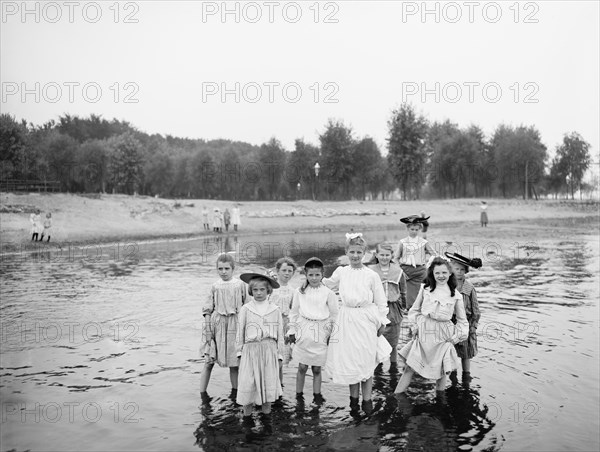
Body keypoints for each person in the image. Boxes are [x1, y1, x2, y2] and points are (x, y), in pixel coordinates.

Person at [323, 233, 389, 414]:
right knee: (351, 359)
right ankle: (353, 402)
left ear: (365, 253)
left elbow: (381, 301)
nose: (355, 255)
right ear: (346, 252)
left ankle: (367, 402)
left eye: (359, 252)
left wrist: (382, 321)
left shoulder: (371, 275)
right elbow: (325, 285)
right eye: (351, 251)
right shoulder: (341, 272)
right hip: (347, 318)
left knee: (366, 358)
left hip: (366, 319)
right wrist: (308, 281)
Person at [394, 256, 469, 395]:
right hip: (424, 332)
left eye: (444, 273)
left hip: (443, 336)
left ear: (450, 273)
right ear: (432, 274)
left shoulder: (456, 295)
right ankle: (396, 396)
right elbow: (415, 310)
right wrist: (415, 326)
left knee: (441, 372)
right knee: (410, 367)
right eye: (437, 273)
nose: (441, 276)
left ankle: (440, 403)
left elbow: (463, 321)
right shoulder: (425, 289)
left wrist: (455, 338)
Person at [288, 257, 339, 404]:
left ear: (322, 274)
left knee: (317, 369)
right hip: (304, 330)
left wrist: (330, 333)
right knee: (302, 366)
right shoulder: (300, 291)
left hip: (321, 331)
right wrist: (292, 330)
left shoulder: (328, 293)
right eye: (311, 275)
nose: (314, 278)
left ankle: (317, 396)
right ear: (306, 274)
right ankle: (299, 396)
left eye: (317, 274)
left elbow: (334, 314)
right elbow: (294, 312)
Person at [199, 253, 247, 401]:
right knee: (209, 361)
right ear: (217, 269)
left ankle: (236, 395)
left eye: (227, 268)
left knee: (234, 364)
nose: (224, 272)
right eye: (220, 268)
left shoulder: (240, 285)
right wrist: (208, 331)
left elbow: (247, 307)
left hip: (235, 325)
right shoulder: (215, 286)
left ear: (233, 269)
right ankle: (202, 394)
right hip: (217, 326)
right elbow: (207, 310)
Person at [236, 270, 284, 419]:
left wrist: (280, 355)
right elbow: (240, 332)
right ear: (251, 291)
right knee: (248, 384)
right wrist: (239, 353)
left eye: (262, 289)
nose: (258, 293)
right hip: (250, 351)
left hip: (269, 351)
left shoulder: (275, 310)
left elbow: (280, 335)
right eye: (255, 290)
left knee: (267, 385)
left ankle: (266, 418)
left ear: (268, 290)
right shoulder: (246, 309)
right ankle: (247, 418)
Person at [366, 242, 407, 368]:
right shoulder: (370, 271)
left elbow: (403, 291)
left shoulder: (398, 271)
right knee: (376, 340)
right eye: (381, 254)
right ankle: (377, 367)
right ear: (376, 255)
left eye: (387, 255)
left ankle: (393, 368)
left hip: (393, 309)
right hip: (376, 309)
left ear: (392, 255)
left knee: (393, 342)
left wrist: (403, 307)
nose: (384, 257)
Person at [445, 252, 482, 381]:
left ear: (466, 271)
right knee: (452, 352)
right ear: (451, 269)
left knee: (466, 353)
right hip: (450, 325)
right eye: (456, 269)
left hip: (466, 324)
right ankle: (453, 379)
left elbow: (476, 310)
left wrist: (473, 327)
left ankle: (466, 377)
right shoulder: (447, 285)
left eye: (462, 270)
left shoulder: (469, 287)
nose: (459, 272)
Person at [394, 215, 437, 311]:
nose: (414, 231)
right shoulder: (402, 242)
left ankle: (419, 310)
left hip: (420, 271)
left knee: (420, 292)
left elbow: (434, 255)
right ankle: (406, 310)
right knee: (405, 293)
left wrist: (428, 266)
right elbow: (396, 258)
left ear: (420, 230)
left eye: (416, 229)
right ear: (408, 229)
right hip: (405, 270)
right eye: (412, 229)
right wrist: (399, 270)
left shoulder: (423, 242)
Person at [269, 257, 297, 385]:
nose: (286, 273)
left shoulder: (293, 291)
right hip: (270, 324)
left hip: (285, 325)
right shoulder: (270, 288)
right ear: (277, 271)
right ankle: (269, 385)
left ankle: (279, 387)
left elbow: (294, 311)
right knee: (270, 357)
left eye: (290, 271)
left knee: (280, 358)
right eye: (284, 270)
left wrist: (292, 330)